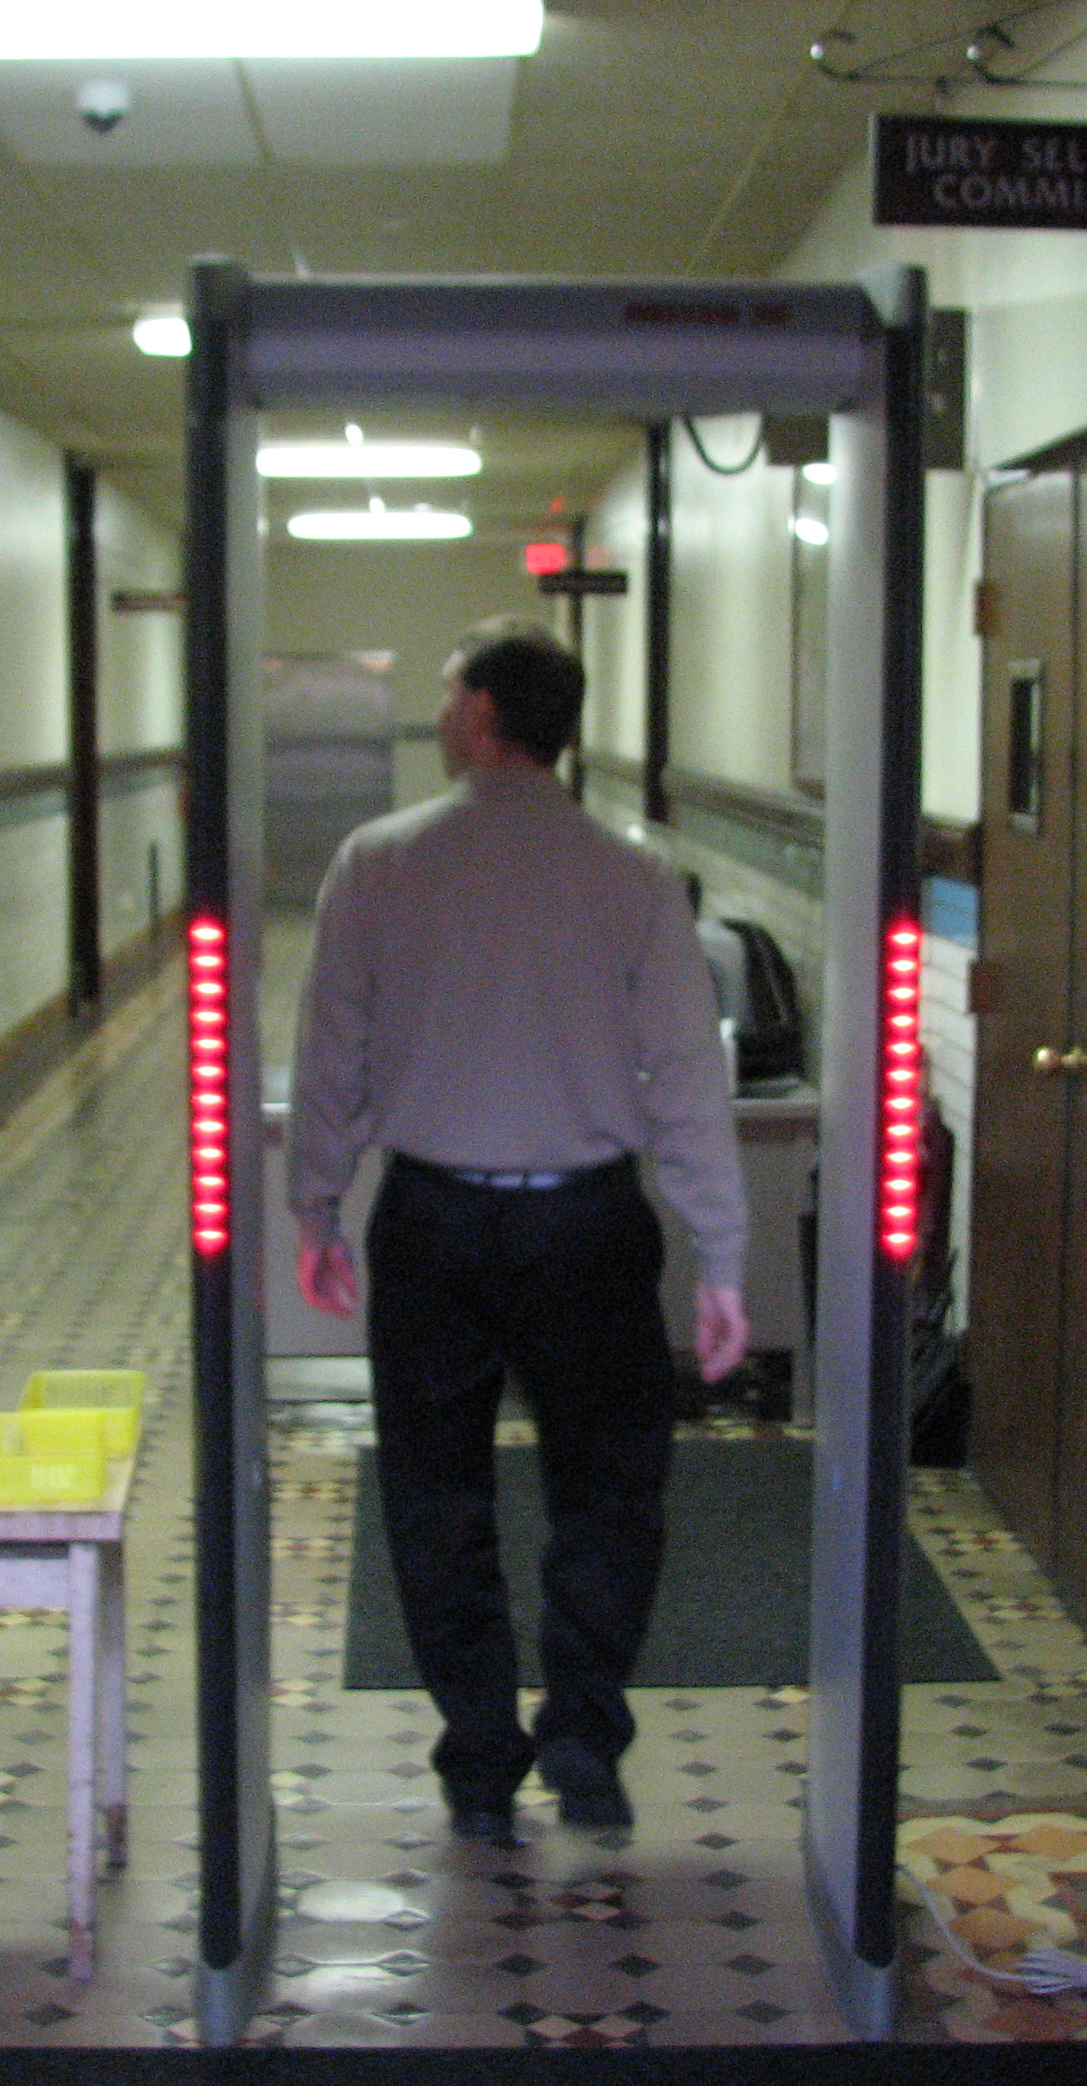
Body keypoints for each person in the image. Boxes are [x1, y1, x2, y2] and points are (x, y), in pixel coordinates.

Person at [290, 617, 749, 1844]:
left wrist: (315, 1204)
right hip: (591, 1227)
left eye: (448, 696)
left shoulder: (375, 863)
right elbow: (686, 1082)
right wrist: (721, 1254)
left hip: (431, 1222)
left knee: (434, 1495)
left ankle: (479, 1761)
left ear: (484, 715)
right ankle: (584, 1743)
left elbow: (329, 1056)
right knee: (607, 1491)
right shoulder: (634, 876)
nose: (440, 716)